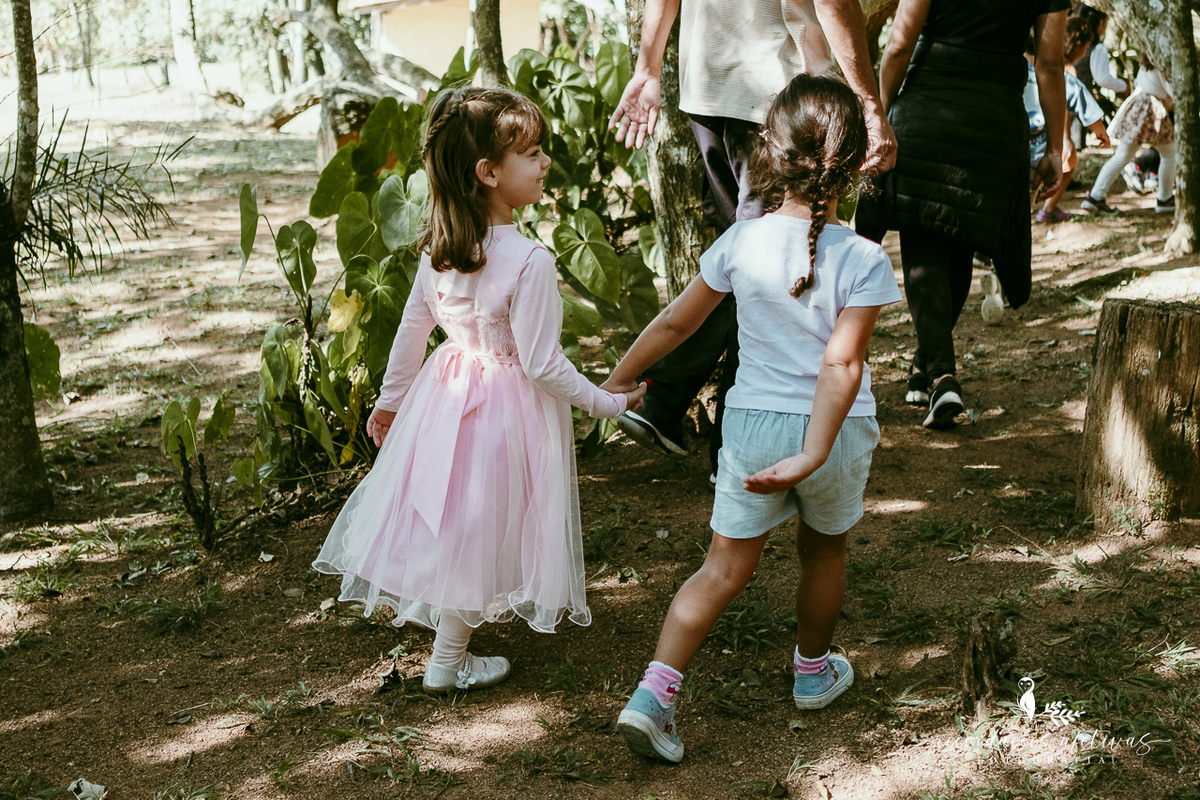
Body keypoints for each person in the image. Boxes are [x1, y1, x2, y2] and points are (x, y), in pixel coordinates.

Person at [601, 74, 901, 763]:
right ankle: (812, 672)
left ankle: (653, 696)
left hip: (752, 429)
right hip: (836, 432)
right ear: (854, 163)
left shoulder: (741, 242)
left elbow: (678, 321)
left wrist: (622, 377)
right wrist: (813, 451)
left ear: (768, 151)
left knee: (720, 568)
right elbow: (841, 367)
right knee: (824, 549)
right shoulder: (863, 257)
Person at [312, 87, 645, 694]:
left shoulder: (438, 252)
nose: (545, 163)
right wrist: (609, 402)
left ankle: (448, 647)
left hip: (446, 394)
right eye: (533, 153)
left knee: (455, 519)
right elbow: (543, 365)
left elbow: (412, 335)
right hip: (505, 406)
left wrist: (390, 404)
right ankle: (447, 661)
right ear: (488, 173)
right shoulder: (528, 260)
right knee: (482, 524)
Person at [607, 0, 897, 474]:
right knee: (764, 272)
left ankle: (665, 400)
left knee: (743, 265)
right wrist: (868, 104)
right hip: (779, 98)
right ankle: (728, 448)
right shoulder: (866, 261)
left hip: (709, 93)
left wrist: (649, 66)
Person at [857, 0, 1068, 429]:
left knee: (926, 249)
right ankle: (925, 365)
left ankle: (941, 375)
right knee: (959, 241)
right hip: (995, 120)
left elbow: (899, 45)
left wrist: (878, 113)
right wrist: (1056, 145)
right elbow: (1050, 64)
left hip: (928, 108)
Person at [1028, 19, 1111, 223]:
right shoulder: (1062, 72)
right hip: (1043, 147)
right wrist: (1095, 131)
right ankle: (1047, 209)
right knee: (1067, 164)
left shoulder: (1020, 69)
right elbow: (1073, 99)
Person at [1081, 56, 1176, 216]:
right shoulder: (1163, 63)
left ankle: (1096, 196)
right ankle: (1165, 199)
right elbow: (1173, 93)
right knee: (1169, 153)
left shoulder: (1148, 64)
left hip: (1139, 105)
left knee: (1123, 155)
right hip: (1150, 107)